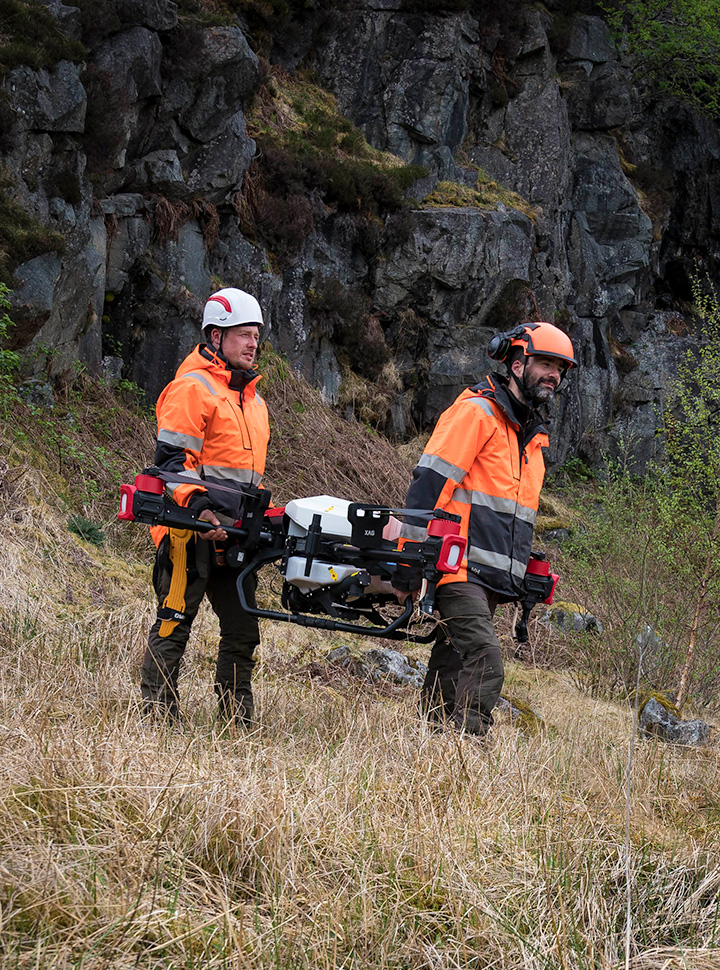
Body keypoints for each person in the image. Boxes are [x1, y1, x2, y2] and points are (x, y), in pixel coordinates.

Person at [393, 321, 576, 737]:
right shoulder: (477, 413)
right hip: (458, 570)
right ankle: (469, 750)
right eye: (545, 363)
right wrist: (407, 558)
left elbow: (509, 514)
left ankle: (434, 743)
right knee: (485, 657)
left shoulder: (533, 438)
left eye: (560, 369)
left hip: (491, 576)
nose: (554, 374)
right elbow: (429, 485)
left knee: (453, 658)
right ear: (515, 364)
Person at [140, 287, 270, 728]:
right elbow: (173, 462)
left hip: (236, 538)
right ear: (216, 337)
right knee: (175, 621)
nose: (253, 343)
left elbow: (247, 479)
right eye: (243, 335)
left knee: (242, 629)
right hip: (187, 532)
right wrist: (201, 511)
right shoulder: (191, 388)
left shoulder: (254, 402)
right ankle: (158, 720)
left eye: (256, 335)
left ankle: (237, 721)